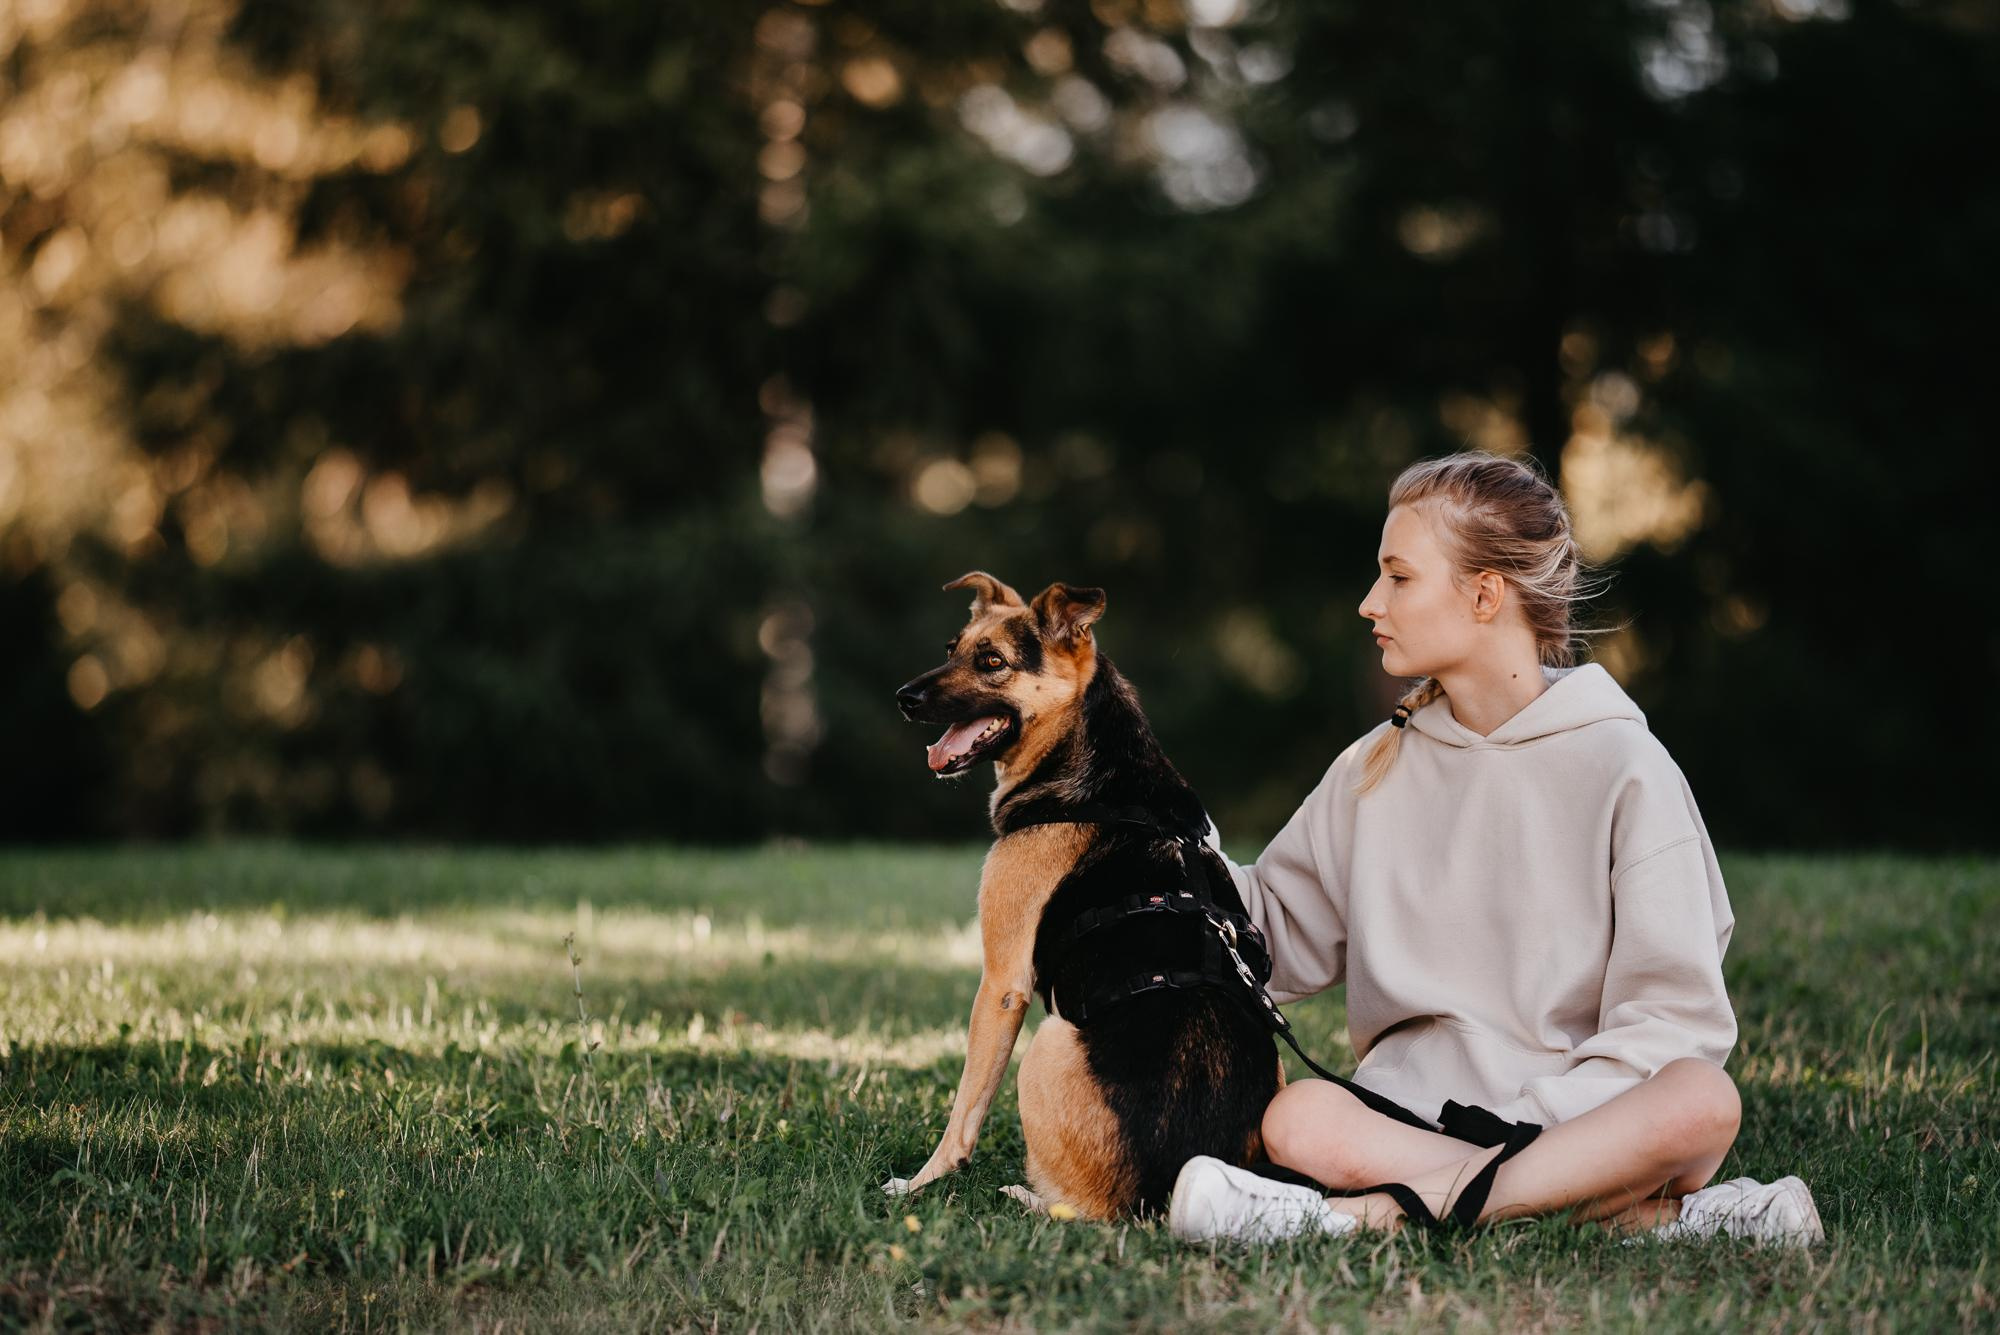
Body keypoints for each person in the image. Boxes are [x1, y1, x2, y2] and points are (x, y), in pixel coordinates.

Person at [1166, 451, 1823, 1247]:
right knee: (1300, 1117)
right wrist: (1160, 835)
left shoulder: (1627, 768)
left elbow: (1672, 1021)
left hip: (1585, 1116)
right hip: (1417, 1116)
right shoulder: (1375, 767)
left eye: (1399, 577)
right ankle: (1663, 1222)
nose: (1372, 602)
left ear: (1485, 594)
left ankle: (1344, 1219)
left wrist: (1541, 1122)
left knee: (1702, 1099)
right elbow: (1269, 932)